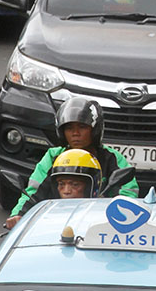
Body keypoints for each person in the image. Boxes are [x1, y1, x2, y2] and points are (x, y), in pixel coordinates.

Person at [7, 98, 139, 229]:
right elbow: (33, 192)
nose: (75, 133)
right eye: (69, 128)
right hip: (54, 223)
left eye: (82, 127)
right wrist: (19, 215)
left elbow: (127, 194)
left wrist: (114, 216)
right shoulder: (53, 156)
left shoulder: (111, 157)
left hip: (98, 225)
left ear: (94, 130)